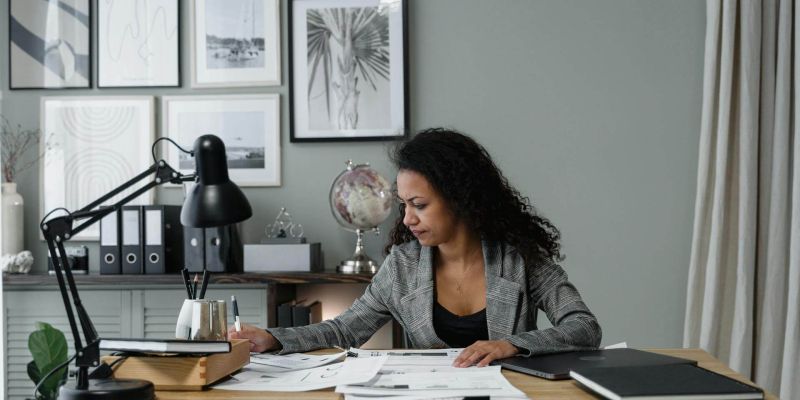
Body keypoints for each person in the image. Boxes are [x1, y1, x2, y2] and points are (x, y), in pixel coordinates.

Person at [230, 128, 601, 367]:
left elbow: (583, 327)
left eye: (419, 205)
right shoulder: (403, 267)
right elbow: (343, 331)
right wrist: (273, 337)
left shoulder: (518, 258)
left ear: (460, 200)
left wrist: (513, 345)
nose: (407, 219)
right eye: (404, 204)